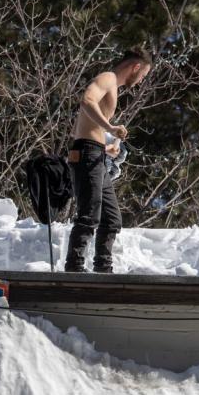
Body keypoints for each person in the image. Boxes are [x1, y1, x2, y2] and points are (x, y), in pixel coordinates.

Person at [64, 50, 151, 273]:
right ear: (136, 67)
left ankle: (103, 269)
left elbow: (79, 129)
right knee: (89, 213)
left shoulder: (113, 87)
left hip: (95, 153)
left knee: (111, 218)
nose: (141, 81)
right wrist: (111, 128)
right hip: (86, 154)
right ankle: (74, 267)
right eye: (143, 75)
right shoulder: (108, 78)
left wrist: (106, 145)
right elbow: (86, 100)